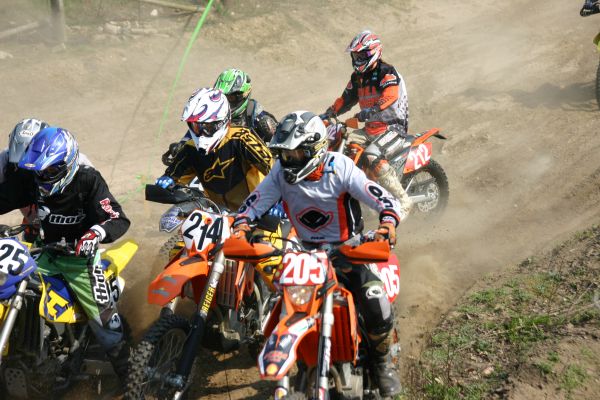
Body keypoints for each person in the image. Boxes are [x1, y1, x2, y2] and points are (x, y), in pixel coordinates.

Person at [232, 111, 405, 397]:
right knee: (282, 303)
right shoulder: (280, 173)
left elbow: (385, 200)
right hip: (304, 254)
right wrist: (241, 225)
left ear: (315, 148)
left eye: (296, 153)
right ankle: (300, 358)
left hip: (347, 249)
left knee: (374, 299)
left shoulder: (340, 167)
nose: (289, 160)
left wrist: (387, 224)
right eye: (284, 154)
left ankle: (383, 363)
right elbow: (254, 203)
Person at [1, 126, 131, 379]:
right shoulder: (31, 179)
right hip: (46, 254)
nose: (43, 176)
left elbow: (117, 217)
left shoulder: (88, 180)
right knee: (11, 285)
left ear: (68, 162)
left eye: (50, 170)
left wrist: (95, 234)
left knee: (107, 326)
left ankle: (129, 376)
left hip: (81, 262)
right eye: (39, 170)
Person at [322, 30, 411, 217]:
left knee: (371, 155)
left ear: (373, 52)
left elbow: (390, 95)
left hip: (392, 128)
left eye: (361, 55)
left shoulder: (386, 72)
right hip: (370, 129)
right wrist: (329, 112)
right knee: (338, 142)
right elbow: (345, 99)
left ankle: (404, 201)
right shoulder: (357, 77)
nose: (358, 59)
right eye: (356, 56)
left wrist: (373, 110)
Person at [155, 87, 273, 211]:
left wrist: (277, 202)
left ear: (221, 121)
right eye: (196, 127)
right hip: (217, 216)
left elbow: (275, 170)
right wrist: (165, 182)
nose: (201, 133)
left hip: (258, 212)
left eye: (207, 127)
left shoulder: (243, 138)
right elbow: (172, 178)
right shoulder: (190, 149)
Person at [0, 118, 94, 240]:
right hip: (31, 206)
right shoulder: (4, 159)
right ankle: (33, 226)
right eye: (19, 164)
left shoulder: (76, 160)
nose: (28, 168)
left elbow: (95, 194)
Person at [161, 68, 277, 166]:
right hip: (212, 167)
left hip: (249, 174)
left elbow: (280, 150)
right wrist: (180, 146)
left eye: (230, 98)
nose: (226, 102)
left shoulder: (262, 120)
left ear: (243, 95)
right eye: (223, 97)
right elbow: (195, 133)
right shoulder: (212, 114)